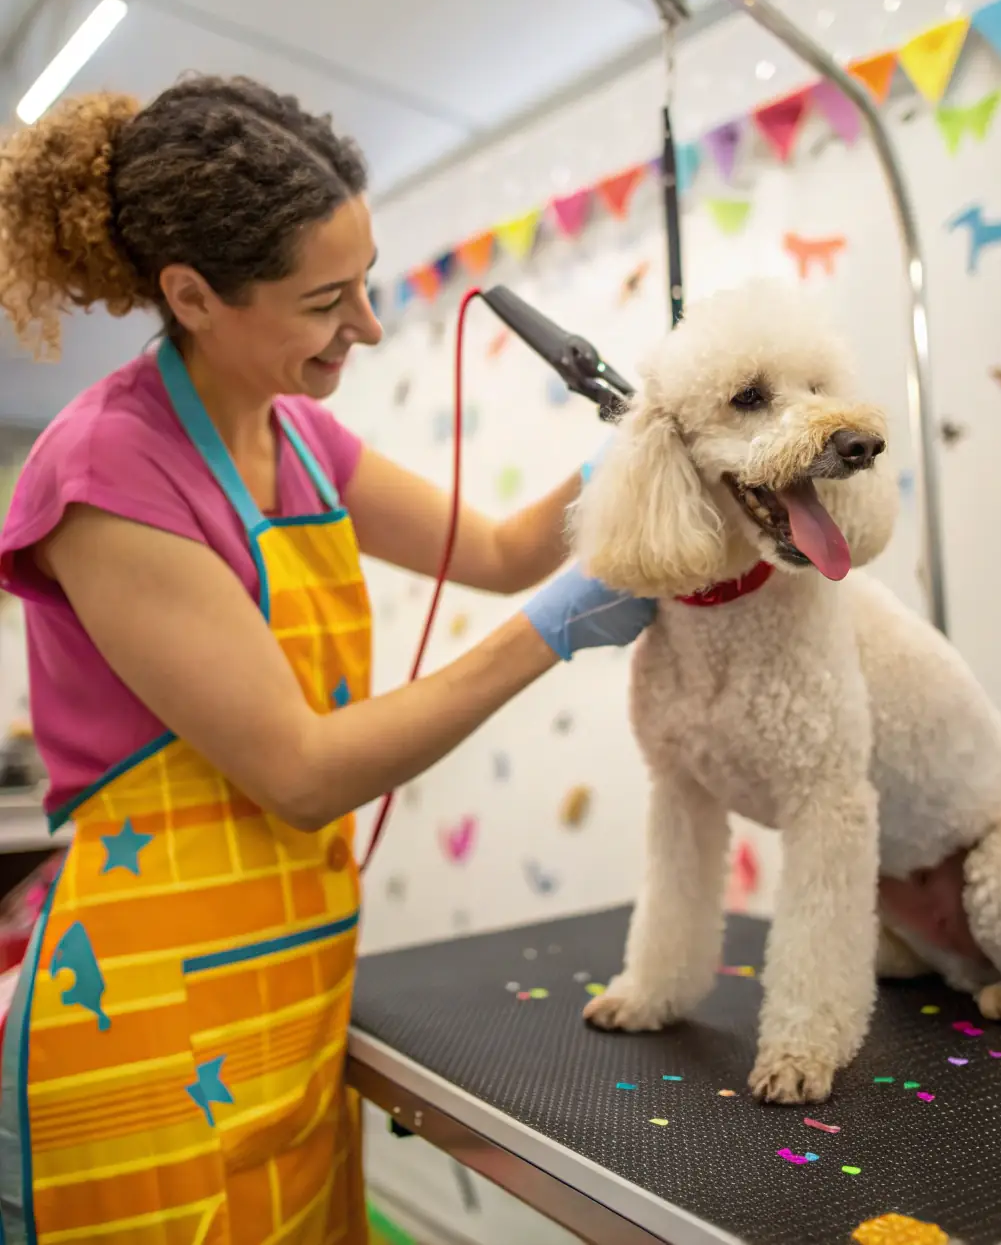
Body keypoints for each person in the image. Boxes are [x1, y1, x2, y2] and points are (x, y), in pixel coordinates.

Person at [0, 77, 655, 1245]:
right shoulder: (105, 474)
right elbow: (299, 772)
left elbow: (499, 551)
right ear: (191, 295)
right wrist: (554, 630)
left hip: (299, 994)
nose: (368, 324)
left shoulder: (305, 435)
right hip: (146, 1029)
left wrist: (649, 458)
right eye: (324, 301)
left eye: (365, 281)